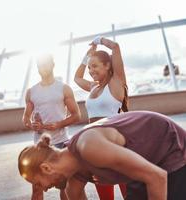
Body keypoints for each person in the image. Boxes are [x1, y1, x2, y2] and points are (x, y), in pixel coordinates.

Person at [18, 110, 186, 200]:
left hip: (171, 150)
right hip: (144, 166)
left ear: (46, 168)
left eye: (39, 183)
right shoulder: (73, 178)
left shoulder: (89, 147)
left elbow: (157, 177)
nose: (45, 189)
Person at [74, 36, 128, 199]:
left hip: (116, 146)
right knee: (105, 197)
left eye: (95, 66)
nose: (91, 71)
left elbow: (116, 47)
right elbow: (76, 78)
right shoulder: (92, 87)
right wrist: (88, 56)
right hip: (96, 150)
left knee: (130, 195)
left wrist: (98, 41)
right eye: (90, 68)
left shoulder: (116, 82)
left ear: (107, 65)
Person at [22, 54, 81, 200]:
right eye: (39, 65)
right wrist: (31, 125)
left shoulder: (64, 88)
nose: (42, 67)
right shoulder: (31, 91)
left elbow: (76, 115)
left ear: (53, 64)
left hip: (60, 143)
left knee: (64, 186)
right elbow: (25, 117)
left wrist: (59, 124)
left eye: (45, 64)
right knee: (37, 187)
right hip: (39, 146)